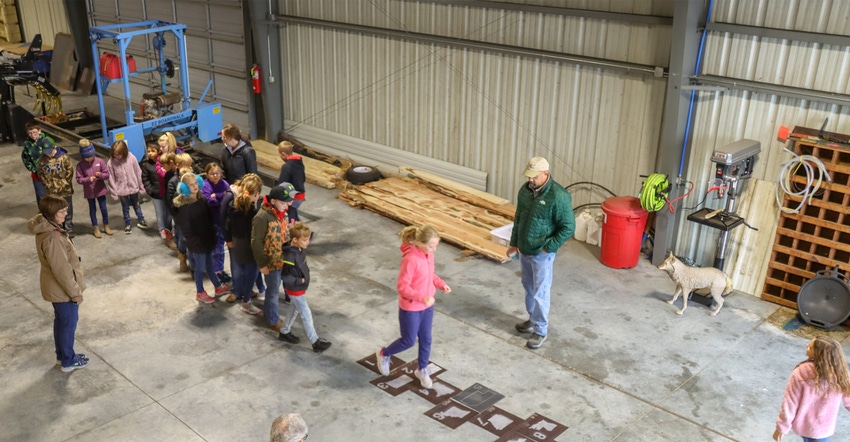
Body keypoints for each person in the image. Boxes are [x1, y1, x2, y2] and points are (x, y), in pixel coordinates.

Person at [507, 156, 575, 350]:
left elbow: (568, 227)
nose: (530, 180)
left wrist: (548, 247)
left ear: (545, 174)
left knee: (540, 292)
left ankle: (540, 330)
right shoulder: (525, 191)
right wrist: (514, 243)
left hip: (542, 253)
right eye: (529, 176)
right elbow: (518, 217)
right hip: (525, 250)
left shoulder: (558, 196)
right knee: (528, 286)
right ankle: (532, 319)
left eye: (534, 177)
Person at [375, 224, 451, 389]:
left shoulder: (427, 255)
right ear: (419, 242)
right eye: (432, 246)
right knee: (408, 341)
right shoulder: (410, 259)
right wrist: (422, 297)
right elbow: (402, 287)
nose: (434, 250)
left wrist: (440, 284)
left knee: (426, 339)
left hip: (426, 306)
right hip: (411, 308)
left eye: (436, 246)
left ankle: (422, 369)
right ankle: (384, 353)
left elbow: (429, 275)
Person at [27, 195, 89, 372]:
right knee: (68, 324)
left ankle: (63, 356)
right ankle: (68, 361)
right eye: (62, 211)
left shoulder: (49, 227)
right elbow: (62, 271)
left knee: (62, 322)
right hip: (62, 291)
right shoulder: (52, 238)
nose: (66, 213)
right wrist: (76, 293)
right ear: (52, 213)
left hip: (57, 290)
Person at [774, 336, 850, 442]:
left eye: (810, 346)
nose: (807, 345)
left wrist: (782, 427)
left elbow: (790, 403)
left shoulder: (801, 372)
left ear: (819, 354)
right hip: (823, 429)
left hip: (803, 425)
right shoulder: (841, 374)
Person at [173, 173, 231, 304]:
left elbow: (209, 219)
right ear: (184, 188)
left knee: (210, 264)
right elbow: (187, 229)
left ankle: (217, 287)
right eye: (190, 185)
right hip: (197, 243)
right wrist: (195, 242)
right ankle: (200, 292)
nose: (194, 186)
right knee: (199, 269)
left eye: (195, 183)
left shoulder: (202, 200)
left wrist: (213, 233)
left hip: (207, 239)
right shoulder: (184, 207)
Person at [278, 222, 332, 352]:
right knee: (306, 314)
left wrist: (306, 233)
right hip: (295, 290)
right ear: (295, 240)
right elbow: (285, 277)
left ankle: (284, 332)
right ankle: (315, 342)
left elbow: (305, 236)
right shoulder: (290, 256)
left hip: (299, 289)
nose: (307, 242)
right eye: (305, 240)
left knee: (294, 309)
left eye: (308, 239)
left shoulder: (299, 247)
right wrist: (299, 280)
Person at [252, 183, 296, 331]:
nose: (287, 205)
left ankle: (272, 313)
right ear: (272, 201)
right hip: (270, 261)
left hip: (283, 257)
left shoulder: (283, 213)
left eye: (288, 202)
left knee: (277, 288)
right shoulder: (262, 217)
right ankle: (272, 320)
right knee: (273, 290)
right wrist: (262, 264)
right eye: (283, 202)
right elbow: (256, 242)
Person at [223, 173, 263, 314]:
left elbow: (227, 226)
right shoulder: (253, 211)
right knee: (251, 272)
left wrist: (228, 240)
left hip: (236, 243)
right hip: (248, 246)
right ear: (256, 194)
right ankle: (246, 302)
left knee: (240, 269)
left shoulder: (233, 206)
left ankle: (241, 293)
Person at [106, 140, 148, 234]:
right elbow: (111, 178)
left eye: (118, 154)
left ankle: (141, 219)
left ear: (124, 152)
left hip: (133, 188)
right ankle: (128, 223)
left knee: (136, 204)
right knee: (125, 208)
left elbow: (138, 172)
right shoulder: (111, 162)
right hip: (122, 190)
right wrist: (114, 192)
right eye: (115, 154)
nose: (116, 156)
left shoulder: (131, 157)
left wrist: (141, 186)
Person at [37, 139, 75, 237]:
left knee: (67, 208)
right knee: (54, 209)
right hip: (51, 190)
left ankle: (69, 227)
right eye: (46, 153)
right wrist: (47, 184)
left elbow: (70, 170)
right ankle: (58, 227)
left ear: (54, 148)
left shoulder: (63, 157)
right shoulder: (42, 160)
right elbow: (40, 173)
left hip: (65, 189)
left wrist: (66, 182)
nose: (48, 155)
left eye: (49, 152)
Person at [74, 139, 111, 238]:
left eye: (91, 157)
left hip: (100, 189)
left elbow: (107, 174)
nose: (89, 159)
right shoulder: (80, 165)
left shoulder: (100, 161)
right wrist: (87, 180)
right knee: (92, 209)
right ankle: (95, 227)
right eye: (87, 158)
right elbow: (79, 179)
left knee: (104, 208)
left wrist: (100, 175)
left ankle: (106, 225)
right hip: (89, 191)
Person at [202, 162, 231, 284]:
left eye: (217, 173)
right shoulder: (205, 185)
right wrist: (222, 197)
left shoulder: (224, 184)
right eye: (212, 174)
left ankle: (220, 269)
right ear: (207, 175)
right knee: (216, 248)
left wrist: (217, 196)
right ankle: (216, 271)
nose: (215, 176)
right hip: (212, 221)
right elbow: (209, 201)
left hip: (223, 221)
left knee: (222, 247)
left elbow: (229, 198)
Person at [22, 120, 54, 204]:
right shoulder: (27, 144)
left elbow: (55, 155)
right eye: (30, 133)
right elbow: (25, 158)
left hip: (50, 173)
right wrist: (33, 169)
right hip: (37, 175)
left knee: (53, 195)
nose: (33, 135)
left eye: (34, 132)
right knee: (41, 196)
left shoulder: (47, 141)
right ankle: (43, 213)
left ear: (39, 131)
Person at [276, 141, 306, 223]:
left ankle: (302, 233)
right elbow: (303, 178)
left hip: (293, 197)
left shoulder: (286, 167)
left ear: (283, 154)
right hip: (301, 194)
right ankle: (304, 232)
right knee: (293, 213)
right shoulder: (300, 163)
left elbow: (282, 184)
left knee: (291, 217)